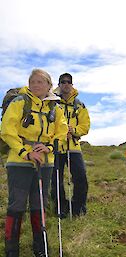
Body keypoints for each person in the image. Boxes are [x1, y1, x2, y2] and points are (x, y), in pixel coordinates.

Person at [1, 69, 68, 257]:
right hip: (19, 162)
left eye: (40, 82)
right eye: (33, 81)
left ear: (49, 85)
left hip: (46, 163)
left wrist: (49, 147)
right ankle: (11, 250)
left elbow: (62, 133)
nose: (36, 85)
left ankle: (40, 247)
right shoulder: (20, 102)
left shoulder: (55, 108)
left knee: (40, 203)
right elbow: (7, 130)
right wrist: (26, 153)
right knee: (17, 205)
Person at [50, 73, 90, 217]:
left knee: (80, 177)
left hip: (73, 147)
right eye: (63, 82)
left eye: (68, 82)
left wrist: (73, 131)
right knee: (56, 180)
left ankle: (78, 207)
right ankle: (61, 208)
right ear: (59, 84)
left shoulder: (79, 105)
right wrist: (59, 134)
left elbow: (85, 126)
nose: (66, 84)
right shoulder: (52, 102)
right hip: (56, 147)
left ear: (72, 84)